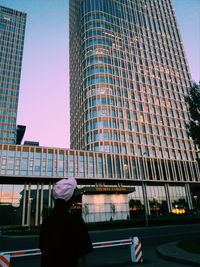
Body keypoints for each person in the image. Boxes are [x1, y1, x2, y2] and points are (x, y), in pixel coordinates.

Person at [39, 178, 93, 267]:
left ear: (54, 198)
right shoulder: (76, 221)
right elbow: (81, 258)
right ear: (72, 198)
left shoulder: (47, 222)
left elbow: (44, 251)